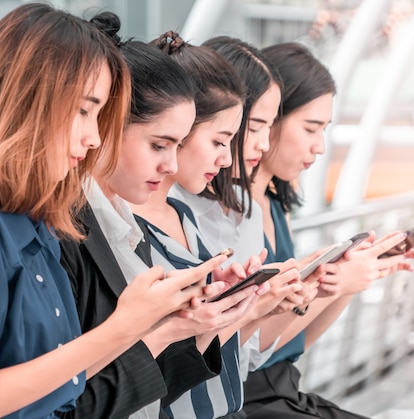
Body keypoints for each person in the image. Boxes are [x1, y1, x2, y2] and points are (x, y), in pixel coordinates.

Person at [0, 5, 221, 418]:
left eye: (98, 115)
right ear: (29, 99)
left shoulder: (37, 220)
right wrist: (124, 325)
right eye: (84, 110)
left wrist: (168, 325)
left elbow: (64, 377)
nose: (95, 136)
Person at [58, 16, 237, 419]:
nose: (170, 164)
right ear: (107, 125)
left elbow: (143, 388)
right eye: (159, 145)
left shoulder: (123, 226)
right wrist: (168, 331)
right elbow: (70, 403)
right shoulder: (63, 232)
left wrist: (201, 325)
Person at [242, 41, 414, 419]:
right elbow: (249, 351)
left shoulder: (275, 205)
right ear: (266, 118)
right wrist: (337, 282)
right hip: (245, 401)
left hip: (278, 391)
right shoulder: (229, 213)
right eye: (311, 128)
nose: (320, 147)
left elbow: (289, 345)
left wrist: (347, 284)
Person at [133, 33, 303, 419]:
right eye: (220, 140)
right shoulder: (128, 230)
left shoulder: (183, 217)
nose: (228, 158)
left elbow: (208, 351)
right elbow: (142, 371)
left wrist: (247, 306)